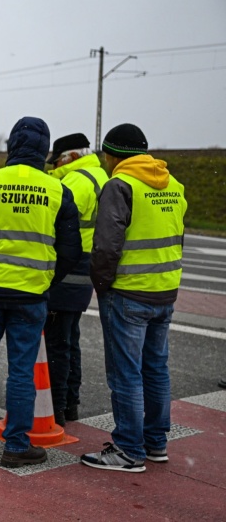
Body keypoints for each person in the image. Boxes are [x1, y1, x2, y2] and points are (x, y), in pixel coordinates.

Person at [0, 116, 81, 468]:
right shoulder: (57, 189)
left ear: (11, 146)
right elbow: (72, 250)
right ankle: (16, 445)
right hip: (30, 295)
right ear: (44, 150)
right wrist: (46, 280)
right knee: (22, 371)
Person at [81, 124, 187, 473]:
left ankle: (128, 449)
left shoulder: (120, 185)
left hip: (128, 293)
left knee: (125, 373)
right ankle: (156, 443)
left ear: (113, 155)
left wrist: (102, 285)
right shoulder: (172, 184)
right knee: (155, 368)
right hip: (164, 290)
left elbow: (106, 246)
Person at [44, 133, 108, 425]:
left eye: (56, 161)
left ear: (69, 157)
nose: (52, 167)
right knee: (70, 339)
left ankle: (56, 408)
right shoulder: (100, 176)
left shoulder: (76, 182)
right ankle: (70, 402)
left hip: (68, 268)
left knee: (58, 341)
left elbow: (51, 220)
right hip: (85, 267)